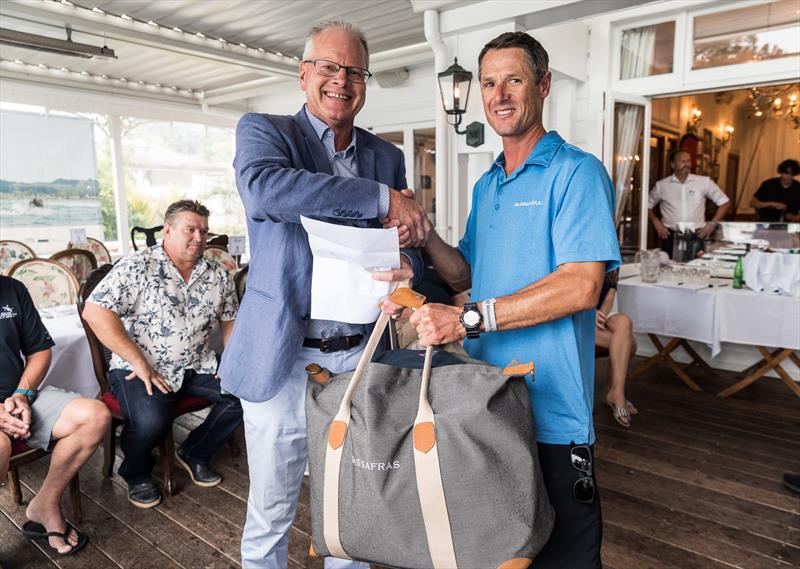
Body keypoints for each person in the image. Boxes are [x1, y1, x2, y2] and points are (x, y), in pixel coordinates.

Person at [383, 31, 620, 569]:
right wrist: (424, 240)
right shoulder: (488, 185)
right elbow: (467, 269)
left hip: (553, 413)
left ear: (543, 84)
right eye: (489, 83)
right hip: (488, 404)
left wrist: (469, 318)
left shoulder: (576, 172)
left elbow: (583, 284)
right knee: (498, 551)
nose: (499, 94)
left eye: (513, 79)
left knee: (567, 557)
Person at [216, 19, 426, 569]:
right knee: (272, 505)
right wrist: (380, 198)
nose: (342, 80)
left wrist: (407, 261)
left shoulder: (385, 155)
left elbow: (405, 243)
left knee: (353, 504)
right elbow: (266, 190)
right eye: (329, 67)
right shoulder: (265, 131)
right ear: (304, 73)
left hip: (361, 353)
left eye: (354, 71)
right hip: (282, 355)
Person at [82, 200, 242, 509]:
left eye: (204, 231)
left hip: (198, 364)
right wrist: (139, 361)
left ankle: (195, 451)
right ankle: (136, 471)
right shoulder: (137, 266)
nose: (199, 238)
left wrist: (233, 362)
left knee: (247, 394)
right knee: (151, 419)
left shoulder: (218, 274)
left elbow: (230, 321)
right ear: (167, 230)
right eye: (190, 229)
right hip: (142, 367)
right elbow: (95, 311)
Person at [0, 275, 111, 555]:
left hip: (17, 397)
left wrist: (22, 395)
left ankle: (45, 503)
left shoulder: (12, 289)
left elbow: (38, 350)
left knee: (95, 415)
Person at [648, 149, 731, 257]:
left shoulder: (704, 182)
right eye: (682, 161)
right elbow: (646, 206)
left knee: (697, 268)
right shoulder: (661, 185)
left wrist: (712, 224)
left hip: (697, 235)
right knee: (670, 269)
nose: (686, 164)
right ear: (673, 165)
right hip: (670, 236)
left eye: (688, 161)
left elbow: (725, 202)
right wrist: (656, 222)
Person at [595, 270, 638, 428]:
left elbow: (610, 294)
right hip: (574, 317)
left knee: (623, 322)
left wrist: (600, 315)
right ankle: (614, 395)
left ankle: (615, 392)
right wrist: (588, 313)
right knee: (629, 344)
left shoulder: (611, 258)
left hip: (595, 318)